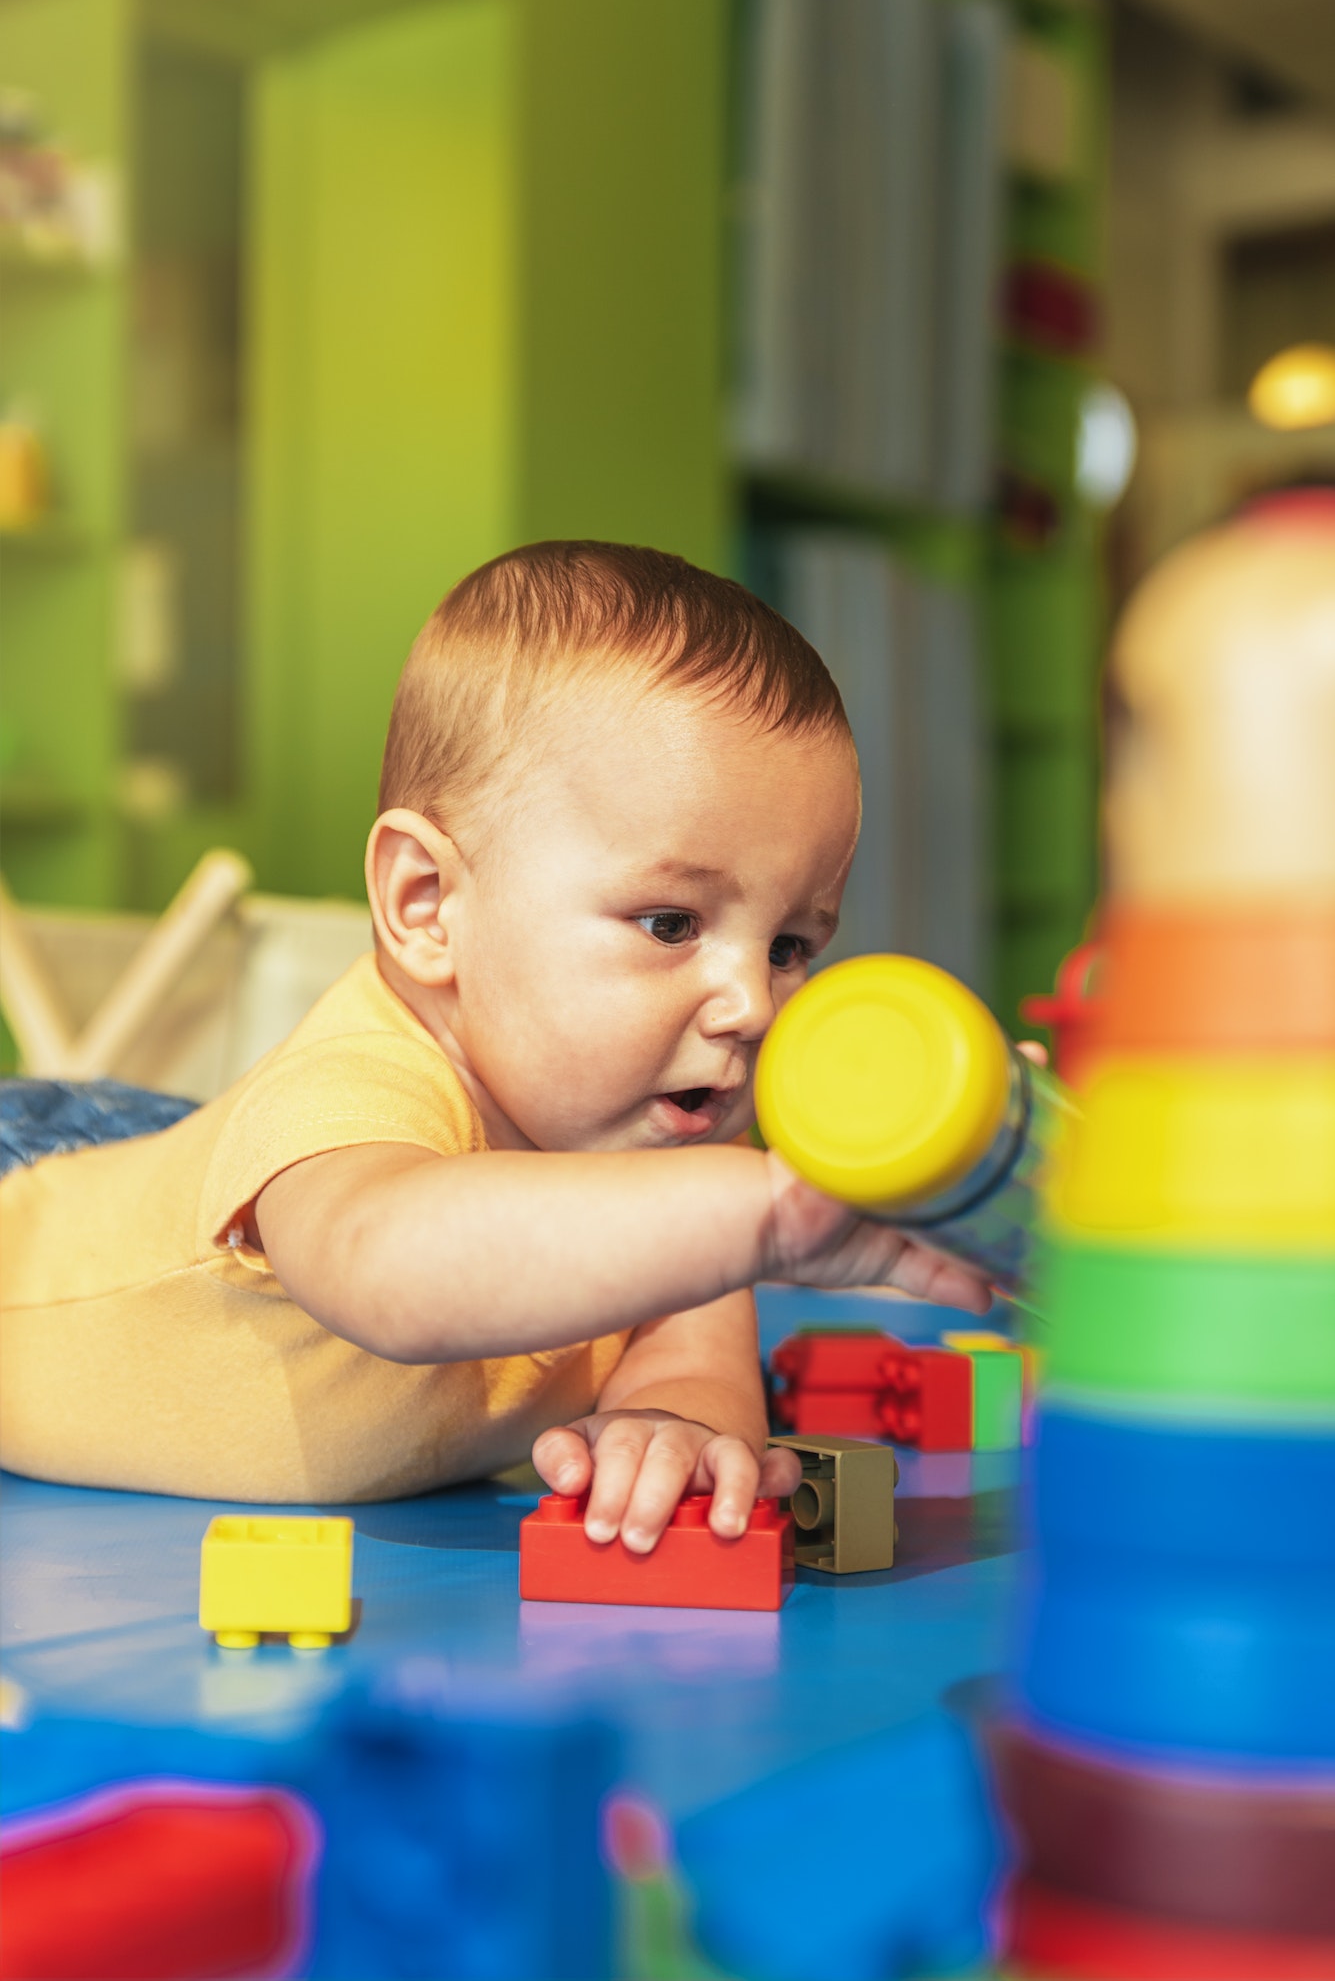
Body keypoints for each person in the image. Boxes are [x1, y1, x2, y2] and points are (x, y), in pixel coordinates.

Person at [0, 542, 991, 1551]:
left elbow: (692, 1345)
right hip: (35, 1194)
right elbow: (386, 1263)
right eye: (671, 923)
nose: (751, 1002)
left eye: (789, 946)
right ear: (428, 906)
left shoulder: (669, 1153)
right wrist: (776, 1217)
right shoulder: (358, 1087)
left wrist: (673, 1422)